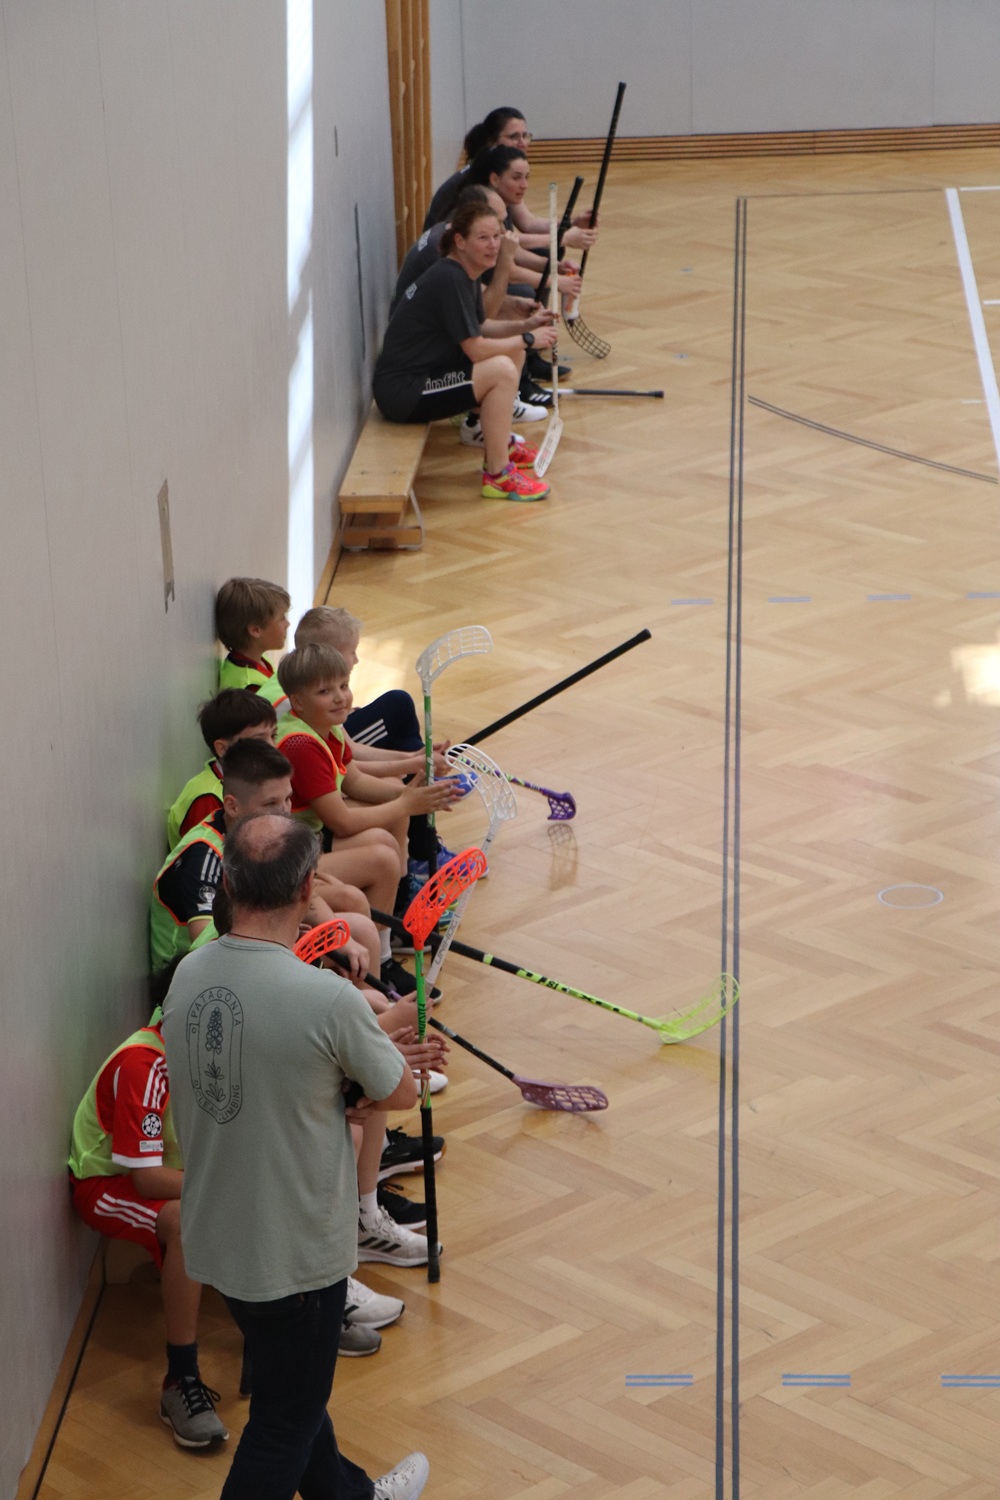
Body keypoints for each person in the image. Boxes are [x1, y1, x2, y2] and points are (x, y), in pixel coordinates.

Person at [161, 813, 430, 1500]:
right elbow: (399, 1090)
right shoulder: (328, 998)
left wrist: (333, 1089)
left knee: (294, 1392)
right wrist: (367, 1078)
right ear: (309, 887)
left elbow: (260, 1079)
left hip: (218, 1237)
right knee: (285, 1421)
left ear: (230, 885)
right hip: (294, 1255)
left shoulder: (188, 974)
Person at [67, 964, 229, 1450]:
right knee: (187, 1222)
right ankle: (180, 1378)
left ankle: (296, 1323)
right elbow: (147, 1178)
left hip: (169, 1173)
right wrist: (224, 1187)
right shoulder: (144, 1064)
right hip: (107, 1186)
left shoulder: (208, 1049)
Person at [274, 643, 459, 994]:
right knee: (382, 857)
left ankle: (389, 932)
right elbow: (342, 822)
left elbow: (354, 780)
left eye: (343, 685)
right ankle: (379, 963)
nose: (340, 697)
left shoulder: (326, 727)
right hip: (294, 859)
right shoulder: (301, 745)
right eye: (325, 691)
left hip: (310, 842)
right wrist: (408, 802)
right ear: (298, 701)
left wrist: (416, 795)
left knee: (389, 833)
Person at [373, 198, 558, 502]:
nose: (493, 246)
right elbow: (476, 350)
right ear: (460, 241)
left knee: (512, 354)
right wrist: (528, 338)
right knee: (502, 369)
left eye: (496, 236)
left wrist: (526, 325)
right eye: (483, 238)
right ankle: (498, 475)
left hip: (426, 373)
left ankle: (499, 444)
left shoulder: (464, 271)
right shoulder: (450, 277)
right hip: (403, 392)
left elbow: (480, 326)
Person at [151, 738, 380, 979]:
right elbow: (205, 946)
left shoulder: (264, 837)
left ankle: (370, 999)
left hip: (251, 940)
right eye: (270, 803)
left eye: (288, 799)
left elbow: (306, 893)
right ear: (232, 806)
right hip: (191, 973)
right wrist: (284, 944)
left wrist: (335, 937)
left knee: (356, 932)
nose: (284, 812)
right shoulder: (203, 855)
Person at [165, 688, 277, 849]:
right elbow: (213, 855)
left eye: (273, 736)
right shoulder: (208, 799)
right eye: (259, 740)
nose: (272, 747)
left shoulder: (245, 778)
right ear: (222, 749)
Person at [215, 576, 292, 715]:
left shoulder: (259, 659)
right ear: (255, 630)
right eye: (282, 618)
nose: (288, 624)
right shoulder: (249, 687)